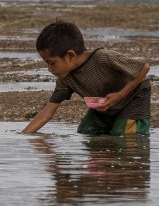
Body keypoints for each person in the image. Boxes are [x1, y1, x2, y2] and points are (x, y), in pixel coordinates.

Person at [22, 21, 151, 136]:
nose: (49, 69)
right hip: (106, 106)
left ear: (70, 55)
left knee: (123, 136)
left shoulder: (103, 58)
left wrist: (120, 95)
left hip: (132, 99)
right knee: (86, 131)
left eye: (52, 63)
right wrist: (23, 136)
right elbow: (47, 112)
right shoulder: (66, 79)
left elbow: (143, 68)